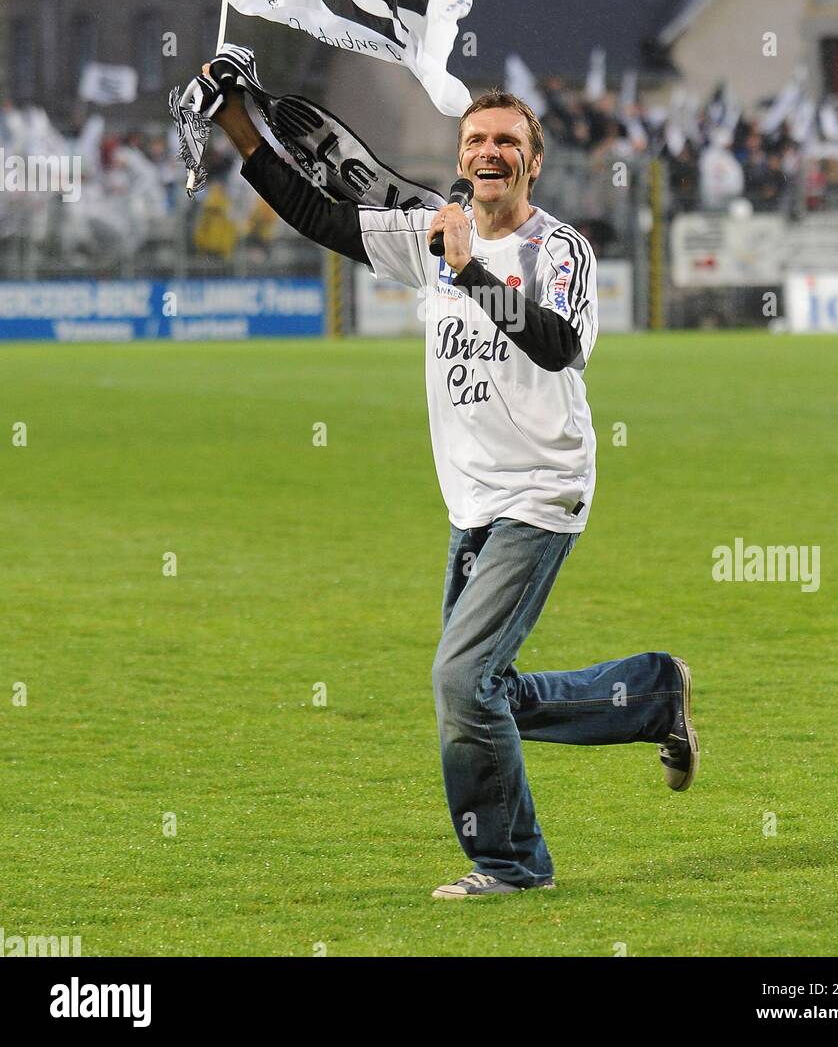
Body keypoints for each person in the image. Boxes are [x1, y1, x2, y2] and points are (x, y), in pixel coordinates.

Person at [197, 62, 700, 898]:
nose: (490, 150)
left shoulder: (557, 247)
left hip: (542, 487)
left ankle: (510, 864)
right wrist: (237, 122)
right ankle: (648, 694)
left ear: (532, 162)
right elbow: (318, 211)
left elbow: (554, 344)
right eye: (476, 140)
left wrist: (470, 271)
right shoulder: (430, 230)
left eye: (507, 140)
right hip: (471, 497)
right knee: (484, 689)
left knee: (460, 683)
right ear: (461, 157)